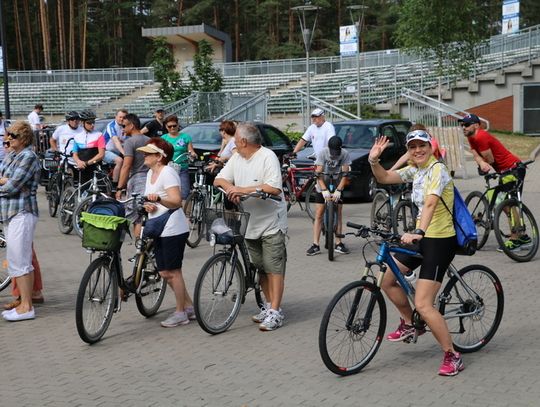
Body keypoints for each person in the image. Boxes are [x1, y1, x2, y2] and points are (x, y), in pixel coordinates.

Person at [368, 129, 463, 376]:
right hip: (421, 237)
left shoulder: (437, 170)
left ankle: (452, 355)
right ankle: (411, 324)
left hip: (440, 239)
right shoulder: (417, 170)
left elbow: (431, 203)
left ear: (431, 147)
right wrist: (374, 160)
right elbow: (385, 178)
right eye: (413, 147)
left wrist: (419, 230)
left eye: (422, 145)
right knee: (388, 279)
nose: (417, 150)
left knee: (423, 303)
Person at [214, 123, 288, 331]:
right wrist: (231, 189)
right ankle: (268, 305)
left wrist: (242, 190)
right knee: (260, 267)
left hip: (271, 222)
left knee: (274, 268)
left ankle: (275, 311)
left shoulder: (267, 157)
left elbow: (273, 187)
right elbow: (219, 179)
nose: (233, 141)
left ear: (244, 141)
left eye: (235, 138)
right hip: (249, 222)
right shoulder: (237, 158)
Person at [136, 138, 194, 328]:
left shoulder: (168, 172)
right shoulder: (150, 173)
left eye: (148, 153)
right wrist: (149, 204)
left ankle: (180, 313)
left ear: (159, 157)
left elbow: (176, 201)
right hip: (158, 226)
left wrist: (159, 199)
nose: (144, 156)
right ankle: (188, 306)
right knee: (164, 271)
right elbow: (151, 199)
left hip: (172, 228)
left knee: (173, 272)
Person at [459, 113, 530, 251]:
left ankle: (516, 239)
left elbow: (490, 160)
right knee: (502, 201)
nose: (463, 127)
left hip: (513, 169)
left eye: (466, 124)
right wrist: (480, 162)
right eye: (462, 125)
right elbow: (474, 152)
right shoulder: (471, 137)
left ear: (476, 125)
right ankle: (523, 236)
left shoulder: (480, 136)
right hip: (505, 171)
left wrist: (482, 163)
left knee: (508, 203)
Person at [0, 121, 41, 321]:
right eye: (8, 134)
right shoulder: (13, 155)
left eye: (12, 135)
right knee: (17, 261)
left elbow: (12, 186)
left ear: (23, 138)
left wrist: (8, 182)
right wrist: (6, 181)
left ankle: (27, 306)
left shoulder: (28, 156)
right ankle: (24, 303)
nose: (8, 138)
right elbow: (4, 179)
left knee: (21, 261)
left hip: (22, 212)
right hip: (10, 213)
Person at [306, 136, 351, 256]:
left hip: (337, 183)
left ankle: (338, 243)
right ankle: (315, 245)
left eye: (336, 153)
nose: (334, 155)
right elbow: (318, 173)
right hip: (323, 182)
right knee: (319, 213)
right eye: (332, 152)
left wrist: (339, 190)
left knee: (339, 212)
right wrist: (324, 190)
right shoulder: (323, 153)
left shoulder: (345, 154)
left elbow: (345, 174)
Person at [115, 113, 150, 236]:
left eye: (124, 126)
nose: (122, 129)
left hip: (137, 182)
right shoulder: (148, 140)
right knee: (148, 215)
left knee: (137, 218)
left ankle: (139, 250)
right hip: (150, 181)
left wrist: (119, 188)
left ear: (132, 125)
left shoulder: (130, 142)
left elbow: (126, 165)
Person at [161, 114, 196, 200]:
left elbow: (191, 150)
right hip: (168, 169)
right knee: (167, 192)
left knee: (184, 193)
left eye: (174, 126)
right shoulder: (163, 138)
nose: (172, 128)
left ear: (178, 125)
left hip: (182, 168)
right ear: (166, 127)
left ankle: (183, 211)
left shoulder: (185, 137)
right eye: (169, 126)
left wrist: (192, 154)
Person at [71, 110, 105, 185]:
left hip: (94, 166)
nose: (92, 125)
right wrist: (79, 162)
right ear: (82, 123)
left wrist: (87, 163)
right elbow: (75, 154)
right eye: (89, 123)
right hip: (82, 167)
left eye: (93, 122)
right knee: (83, 190)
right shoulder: (77, 137)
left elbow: (101, 154)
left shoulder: (99, 135)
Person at [102, 109, 128, 190]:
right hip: (105, 151)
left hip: (117, 152)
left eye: (124, 117)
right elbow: (116, 141)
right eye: (120, 117)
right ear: (115, 117)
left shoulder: (125, 127)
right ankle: (115, 185)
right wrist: (124, 153)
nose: (122, 119)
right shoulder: (111, 126)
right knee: (119, 161)